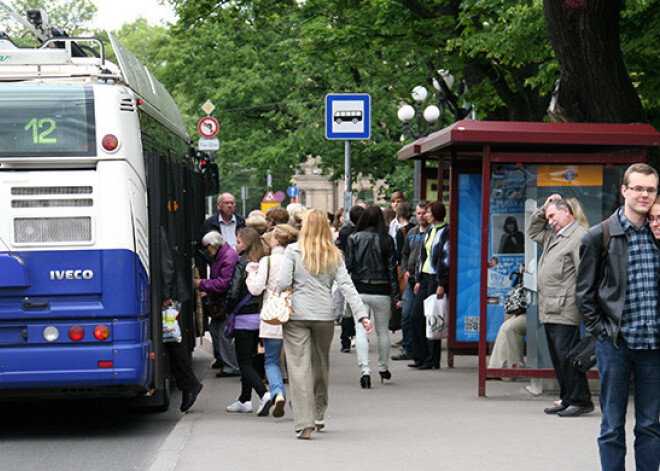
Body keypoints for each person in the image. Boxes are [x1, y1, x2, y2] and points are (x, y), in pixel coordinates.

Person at [576, 163, 660, 470]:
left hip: (653, 346)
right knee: (612, 425)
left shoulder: (658, 234)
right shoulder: (599, 236)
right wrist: (602, 332)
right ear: (623, 190)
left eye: (650, 189)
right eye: (637, 188)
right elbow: (584, 296)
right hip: (616, 346)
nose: (644, 195)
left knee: (650, 425)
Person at [277, 209, 372, 439]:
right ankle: (319, 414)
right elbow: (347, 286)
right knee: (321, 364)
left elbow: (282, 283)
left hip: (296, 315)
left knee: (299, 368)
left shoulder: (293, 250)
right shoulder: (334, 254)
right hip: (324, 315)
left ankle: (304, 422)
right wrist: (361, 315)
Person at [528, 194, 593, 417]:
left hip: (566, 307)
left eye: (553, 215)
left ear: (567, 212)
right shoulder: (555, 236)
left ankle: (581, 400)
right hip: (550, 308)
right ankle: (567, 398)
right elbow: (533, 231)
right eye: (547, 217)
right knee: (558, 357)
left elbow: (585, 275)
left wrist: (584, 308)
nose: (550, 221)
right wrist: (543, 207)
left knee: (568, 357)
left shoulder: (578, 236)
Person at [246, 224, 299, 418]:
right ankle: (299, 400)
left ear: (276, 241)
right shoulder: (297, 259)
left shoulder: (267, 261)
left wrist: (251, 274)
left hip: (273, 315)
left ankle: (277, 394)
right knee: (296, 362)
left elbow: (256, 289)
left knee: (271, 360)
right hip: (295, 314)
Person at [346, 206, 400, 388]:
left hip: (360, 289)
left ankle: (365, 371)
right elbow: (392, 269)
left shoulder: (354, 238)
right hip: (382, 290)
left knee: (361, 330)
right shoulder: (387, 240)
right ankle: (383, 368)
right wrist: (396, 295)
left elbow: (349, 265)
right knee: (382, 331)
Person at [225, 227, 271, 416]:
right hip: (262, 315)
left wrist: (229, 308)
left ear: (247, 244)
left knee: (243, 361)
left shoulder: (241, 263)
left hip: (244, 317)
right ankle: (244, 399)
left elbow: (235, 290)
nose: (235, 245)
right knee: (255, 359)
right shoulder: (265, 261)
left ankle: (263, 394)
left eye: (238, 241)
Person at [160, 227, 202, 412]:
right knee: (170, 341)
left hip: (167, 295)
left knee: (171, 341)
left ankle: (189, 383)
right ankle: (188, 383)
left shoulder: (157, 231)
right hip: (168, 292)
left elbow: (165, 263)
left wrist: (165, 293)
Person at [409, 200, 449, 370]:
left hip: (436, 278)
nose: (426, 215)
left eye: (429, 212)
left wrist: (442, 283)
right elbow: (423, 255)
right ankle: (421, 356)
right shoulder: (430, 229)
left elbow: (446, 259)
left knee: (432, 317)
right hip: (425, 277)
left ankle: (433, 359)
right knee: (415, 316)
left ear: (436, 213)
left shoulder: (446, 231)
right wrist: (418, 279)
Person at [194, 231, 241, 378]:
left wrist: (202, 283)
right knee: (215, 329)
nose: (206, 250)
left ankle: (231, 366)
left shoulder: (226, 257)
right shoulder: (224, 255)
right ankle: (226, 362)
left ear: (214, 245)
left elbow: (223, 283)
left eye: (207, 247)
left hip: (225, 302)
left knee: (222, 332)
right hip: (222, 301)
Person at [394, 200, 428, 361]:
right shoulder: (412, 232)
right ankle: (408, 347)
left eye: (423, 213)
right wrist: (406, 270)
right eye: (418, 213)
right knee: (406, 314)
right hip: (411, 279)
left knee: (420, 316)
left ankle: (421, 349)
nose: (421, 216)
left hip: (425, 280)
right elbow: (405, 254)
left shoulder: (431, 232)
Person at [335, 204, 365, 352]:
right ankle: (358, 336)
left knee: (347, 308)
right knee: (360, 306)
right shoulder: (365, 233)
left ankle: (345, 339)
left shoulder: (345, 231)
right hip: (363, 273)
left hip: (348, 271)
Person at [488, 264, 527, 369]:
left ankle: (513, 366)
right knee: (505, 326)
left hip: (539, 312)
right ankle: (497, 365)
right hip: (529, 310)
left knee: (509, 328)